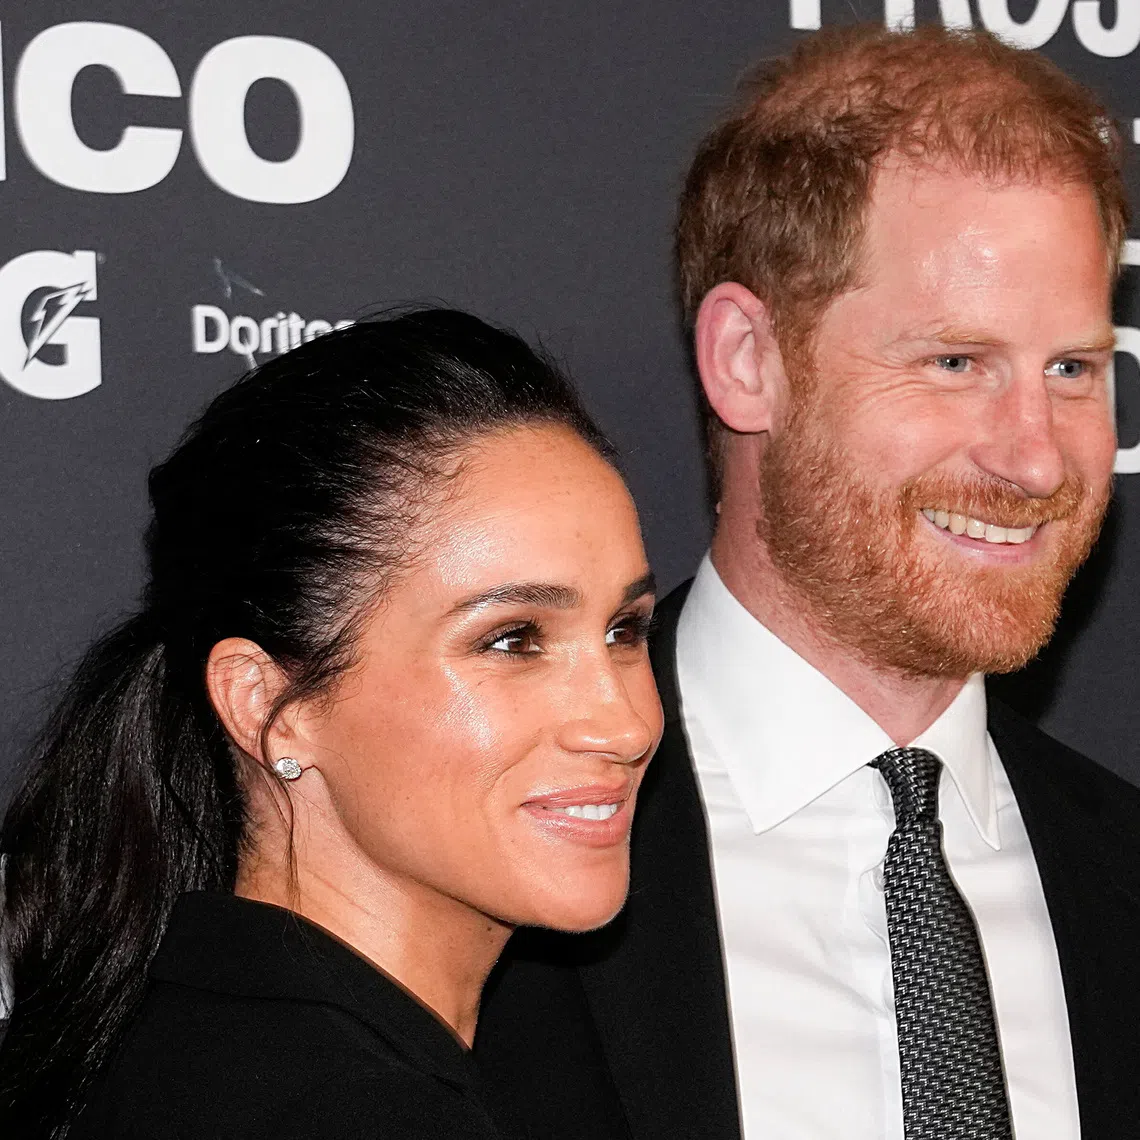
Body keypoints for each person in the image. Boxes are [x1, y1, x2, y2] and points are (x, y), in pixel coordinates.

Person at [476, 23, 1140, 1140]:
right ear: (749, 361)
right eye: (956, 363)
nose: (1035, 457)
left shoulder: (1120, 872)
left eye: (1071, 369)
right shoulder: (484, 867)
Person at [0, 308, 662, 1139]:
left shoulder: (207, 1043)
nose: (624, 723)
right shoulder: (343, 1104)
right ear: (267, 706)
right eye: (512, 640)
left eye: (625, 630)